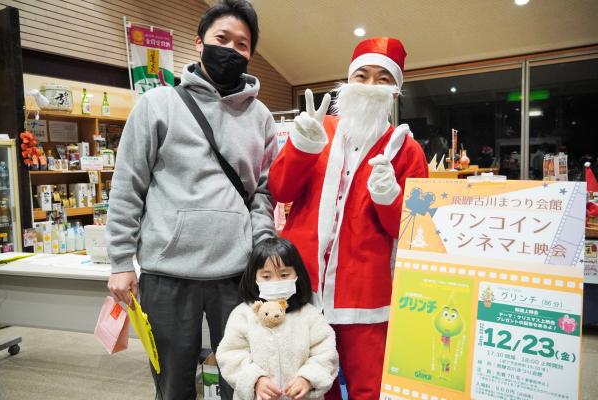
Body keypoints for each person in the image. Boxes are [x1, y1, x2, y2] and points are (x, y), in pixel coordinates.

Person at [105, 1, 277, 398]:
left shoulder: (261, 117)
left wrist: (263, 251)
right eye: (222, 38)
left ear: (251, 54)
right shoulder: (157, 104)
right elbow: (127, 186)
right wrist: (120, 262)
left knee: (244, 382)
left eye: (242, 44)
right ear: (199, 43)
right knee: (173, 384)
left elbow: (263, 194)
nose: (230, 49)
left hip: (236, 275)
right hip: (167, 273)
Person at [268, 37, 429, 399]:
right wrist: (301, 148)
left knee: (368, 389)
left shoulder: (408, 150)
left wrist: (389, 198)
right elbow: (280, 190)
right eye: (362, 75)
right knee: (311, 386)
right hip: (304, 284)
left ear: (396, 90)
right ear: (348, 81)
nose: (370, 85)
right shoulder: (318, 129)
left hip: (367, 296)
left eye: (383, 79)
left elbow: (414, 232)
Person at [217, 238, 339, 400]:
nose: (275, 282)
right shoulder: (243, 315)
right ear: (254, 278)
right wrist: (255, 380)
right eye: (266, 276)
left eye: (284, 275)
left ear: (297, 274)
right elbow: (231, 354)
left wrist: (308, 378)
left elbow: (326, 352)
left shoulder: (310, 315)